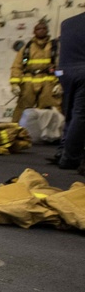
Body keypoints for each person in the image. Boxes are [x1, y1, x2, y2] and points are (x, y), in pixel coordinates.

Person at [10, 20, 61, 123]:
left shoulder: (55, 47)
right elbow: (17, 66)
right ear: (34, 31)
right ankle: (15, 132)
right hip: (29, 83)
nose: (41, 31)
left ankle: (51, 135)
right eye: (38, 29)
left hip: (49, 83)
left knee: (50, 109)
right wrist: (15, 83)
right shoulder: (26, 49)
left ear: (47, 30)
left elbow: (60, 66)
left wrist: (60, 83)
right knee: (22, 109)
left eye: (43, 29)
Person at [57, 12, 85, 174]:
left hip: (64, 72)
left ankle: (63, 149)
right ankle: (70, 158)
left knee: (70, 113)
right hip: (84, 72)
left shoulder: (67, 22)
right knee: (81, 115)